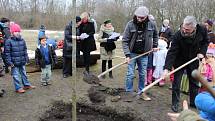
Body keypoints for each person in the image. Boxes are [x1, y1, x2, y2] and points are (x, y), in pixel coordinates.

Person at [162, 16, 209, 112]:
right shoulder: (178, 35)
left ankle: (193, 102)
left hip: (193, 60)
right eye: (183, 28)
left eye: (187, 29)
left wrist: (202, 53)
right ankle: (175, 103)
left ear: (194, 28)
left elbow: (205, 42)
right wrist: (166, 69)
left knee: (194, 83)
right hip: (179, 60)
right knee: (176, 83)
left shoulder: (202, 30)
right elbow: (172, 52)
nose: (184, 30)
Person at [122, 6, 158, 101]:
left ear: (146, 16)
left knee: (142, 74)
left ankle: (141, 92)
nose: (139, 19)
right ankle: (128, 93)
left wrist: (154, 46)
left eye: (142, 17)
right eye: (138, 17)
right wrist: (127, 55)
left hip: (144, 54)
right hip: (132, 53)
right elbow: (125, 40)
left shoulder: (152, 24)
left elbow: (155, 35)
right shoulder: (130, 24)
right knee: (130, 74)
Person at [4, 23, 35, 93]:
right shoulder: (9, 41)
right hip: (14, 63)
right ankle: (18, 88)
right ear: (12, 32)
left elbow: (25, 50)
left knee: (24, 73)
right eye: (15, 31)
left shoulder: (22, 40)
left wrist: (26, 58)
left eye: (18, 31)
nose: (17, 33)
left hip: (22, 61)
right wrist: (10, 62)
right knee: (16, 76)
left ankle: (26, 85)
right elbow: (7, 53)